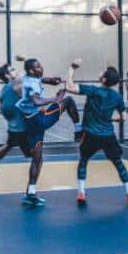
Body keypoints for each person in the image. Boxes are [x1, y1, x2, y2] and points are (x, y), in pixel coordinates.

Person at [65, 60, 128, 205]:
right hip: (108, 136)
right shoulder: (116, 96)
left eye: (102, 71)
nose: (100, 71)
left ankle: (81, 193)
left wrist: (71, 68)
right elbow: (123, 117)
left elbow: (69, 87)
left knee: (83, 161)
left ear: (104, 79)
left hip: (91, 135)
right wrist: (111, 119)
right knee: (118, 162)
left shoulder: (93, 91)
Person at [18, 57, 81, 207]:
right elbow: (37, 101)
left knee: (37, 159)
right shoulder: (31, 83)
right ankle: (79, 130)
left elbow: (39, 78)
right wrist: (56, 98)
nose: (41, 67)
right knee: (68, 100)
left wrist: (50, 80)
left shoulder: (28, 75)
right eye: (38, 66)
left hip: (29, 122)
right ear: (32, 70)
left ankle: (30, 193)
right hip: (39, 119)